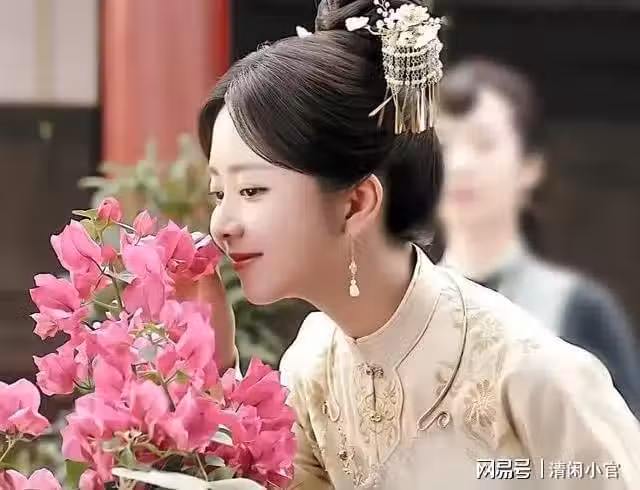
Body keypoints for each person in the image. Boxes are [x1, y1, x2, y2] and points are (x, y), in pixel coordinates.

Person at [193, 0, 640, 488]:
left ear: (356, 202)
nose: (222, 224)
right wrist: (210, 367)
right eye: (219, 194)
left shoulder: (533, 375)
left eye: (251, 190)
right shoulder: (313, 367)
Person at [435, 58, 640, 417]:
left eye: (483, 144)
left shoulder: (580, 308)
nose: (460, 164)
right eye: (444, 146)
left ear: (531, 166)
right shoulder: (398, 311)